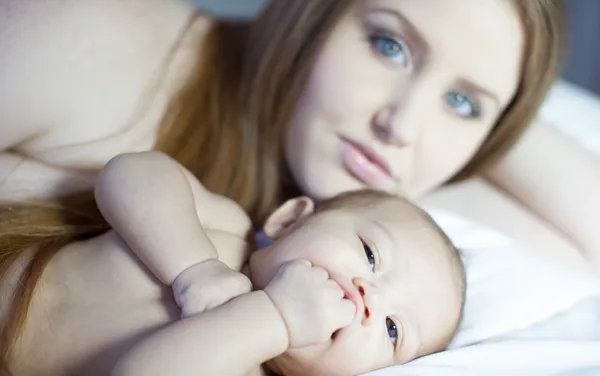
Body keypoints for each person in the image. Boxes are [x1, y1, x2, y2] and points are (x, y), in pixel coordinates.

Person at [2, 0, 598, 369]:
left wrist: (502, 87)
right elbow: (133, 176)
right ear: (317, 7)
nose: (402, 126)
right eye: (389, 45)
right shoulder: (98, 32)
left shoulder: (399, 230)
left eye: (463, 105)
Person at [2, 151, 465, 375]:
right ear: (289, 220)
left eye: (392, 331)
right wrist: (194, 265)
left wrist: (274, 320)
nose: (371, 297)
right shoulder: (223, 228)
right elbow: (130, 173)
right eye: (370, 254)